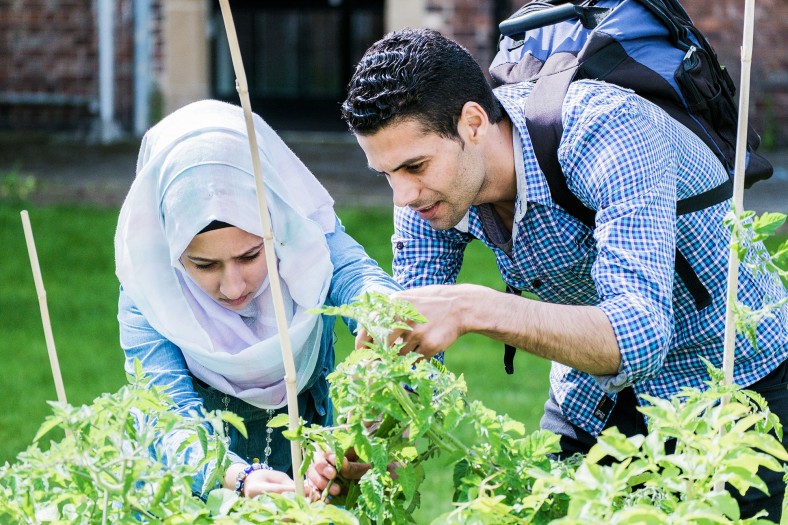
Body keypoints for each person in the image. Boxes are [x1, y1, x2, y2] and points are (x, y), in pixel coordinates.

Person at [310, 28, 788, 518]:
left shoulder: (608, 132)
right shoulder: (430, 194)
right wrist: (365, 439)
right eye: (386, 174)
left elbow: (640, 335)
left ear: (473, 123)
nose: (403, 196)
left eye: (414, 166)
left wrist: (475, 306)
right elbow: (409, 343)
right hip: (592, 396)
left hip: (727, 387)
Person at [114, 99, 401, 499]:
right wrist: (236, 476)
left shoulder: (304, 238)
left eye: (250, 255)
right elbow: (169, 417)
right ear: (172, 252)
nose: (233, 287)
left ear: (275, 224)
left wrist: (383, 319)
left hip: (311, 471)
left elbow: (362, 281)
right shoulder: (150, 295)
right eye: (203, 265)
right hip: (198, 490)